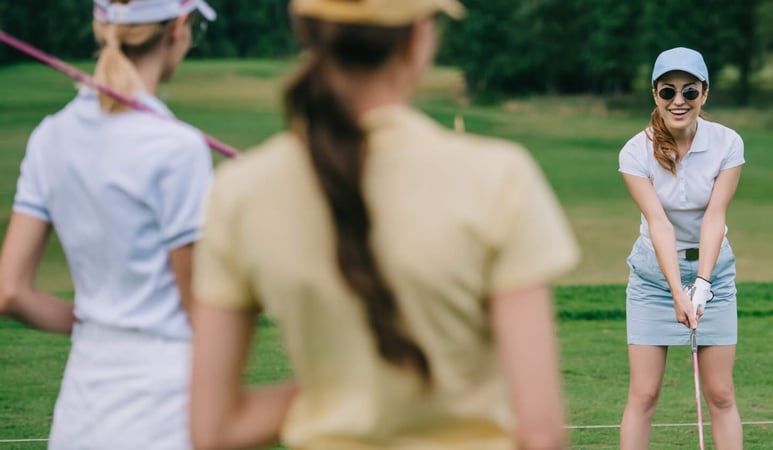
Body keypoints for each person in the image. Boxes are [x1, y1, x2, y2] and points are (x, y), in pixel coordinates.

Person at [187, 0, 580, 449]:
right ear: (419, 38)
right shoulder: (500, 178)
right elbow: (542, 434)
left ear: (304, 31)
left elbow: (214, 428)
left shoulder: (239, 191)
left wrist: (337, 391)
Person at [0, 0, 217, 448]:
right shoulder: (178, 148)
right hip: (163, 409)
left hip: (81, 409)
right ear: (177, 29)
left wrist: (99, 325)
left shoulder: (49, 136)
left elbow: (10, 291)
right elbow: (200, 309)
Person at [617, 47, 745, 449]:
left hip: (715, 275)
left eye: (689, 91)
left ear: (704, 93)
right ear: (654, 94)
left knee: (721, 394)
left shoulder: (727, 143)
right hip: (655, 279)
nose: (678, 101)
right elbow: (660, 224)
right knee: (644, 394)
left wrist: (703, 283)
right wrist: (677, 290)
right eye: (668, 91)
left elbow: (714, 216)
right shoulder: (635, 152)